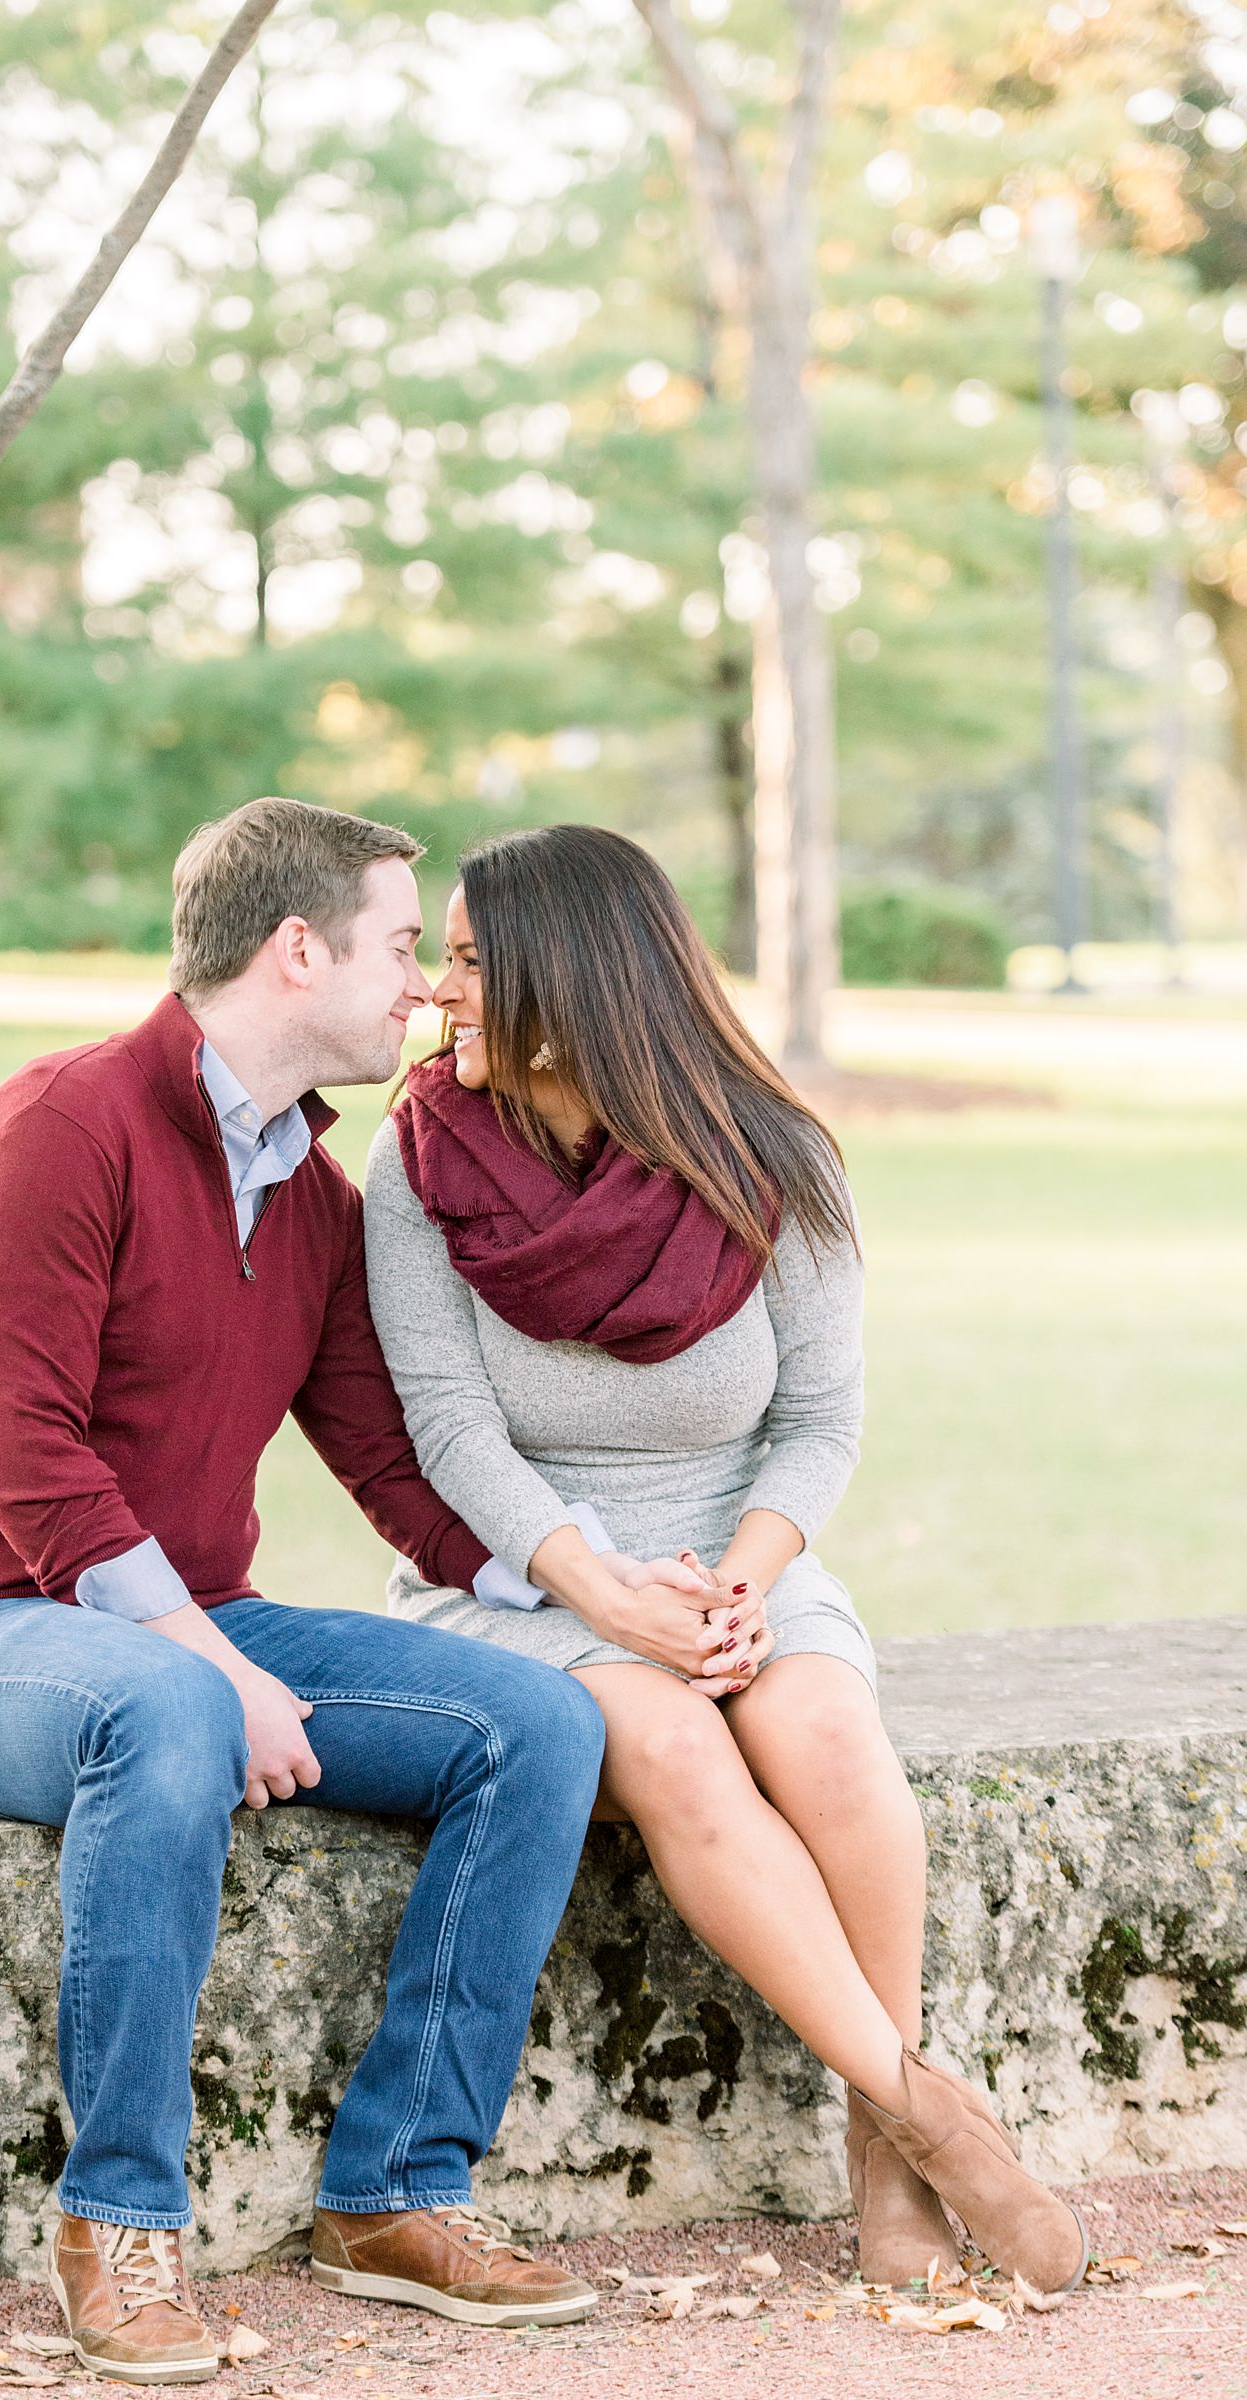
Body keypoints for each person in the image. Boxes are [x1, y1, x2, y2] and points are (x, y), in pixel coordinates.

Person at [0, 799, 703, 2384]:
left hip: (186, 1627)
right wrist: (208, 1662)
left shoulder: (313, 1200)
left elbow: (388, 1465)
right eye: (404, 946)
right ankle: (121, 2223)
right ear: (296, 948)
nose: (430, 989)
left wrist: (598, 1590)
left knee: (535, 1722)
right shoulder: (59, 1124)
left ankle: (396, 2191)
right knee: (175, 1701)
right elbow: (26, 1455)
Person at [364, 823, 1089, 2299]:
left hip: (738, 1546)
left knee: (822, 1730)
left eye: (463, 960)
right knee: (675, 1752)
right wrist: (602, 1589)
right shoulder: (419, 1156)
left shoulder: (772, 1150)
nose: (437, 995)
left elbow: (819, 1422)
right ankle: (928, 2110)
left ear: (567, 982)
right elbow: (447, 1432)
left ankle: (882, 2162)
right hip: (522, 1573)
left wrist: (744, 1583)